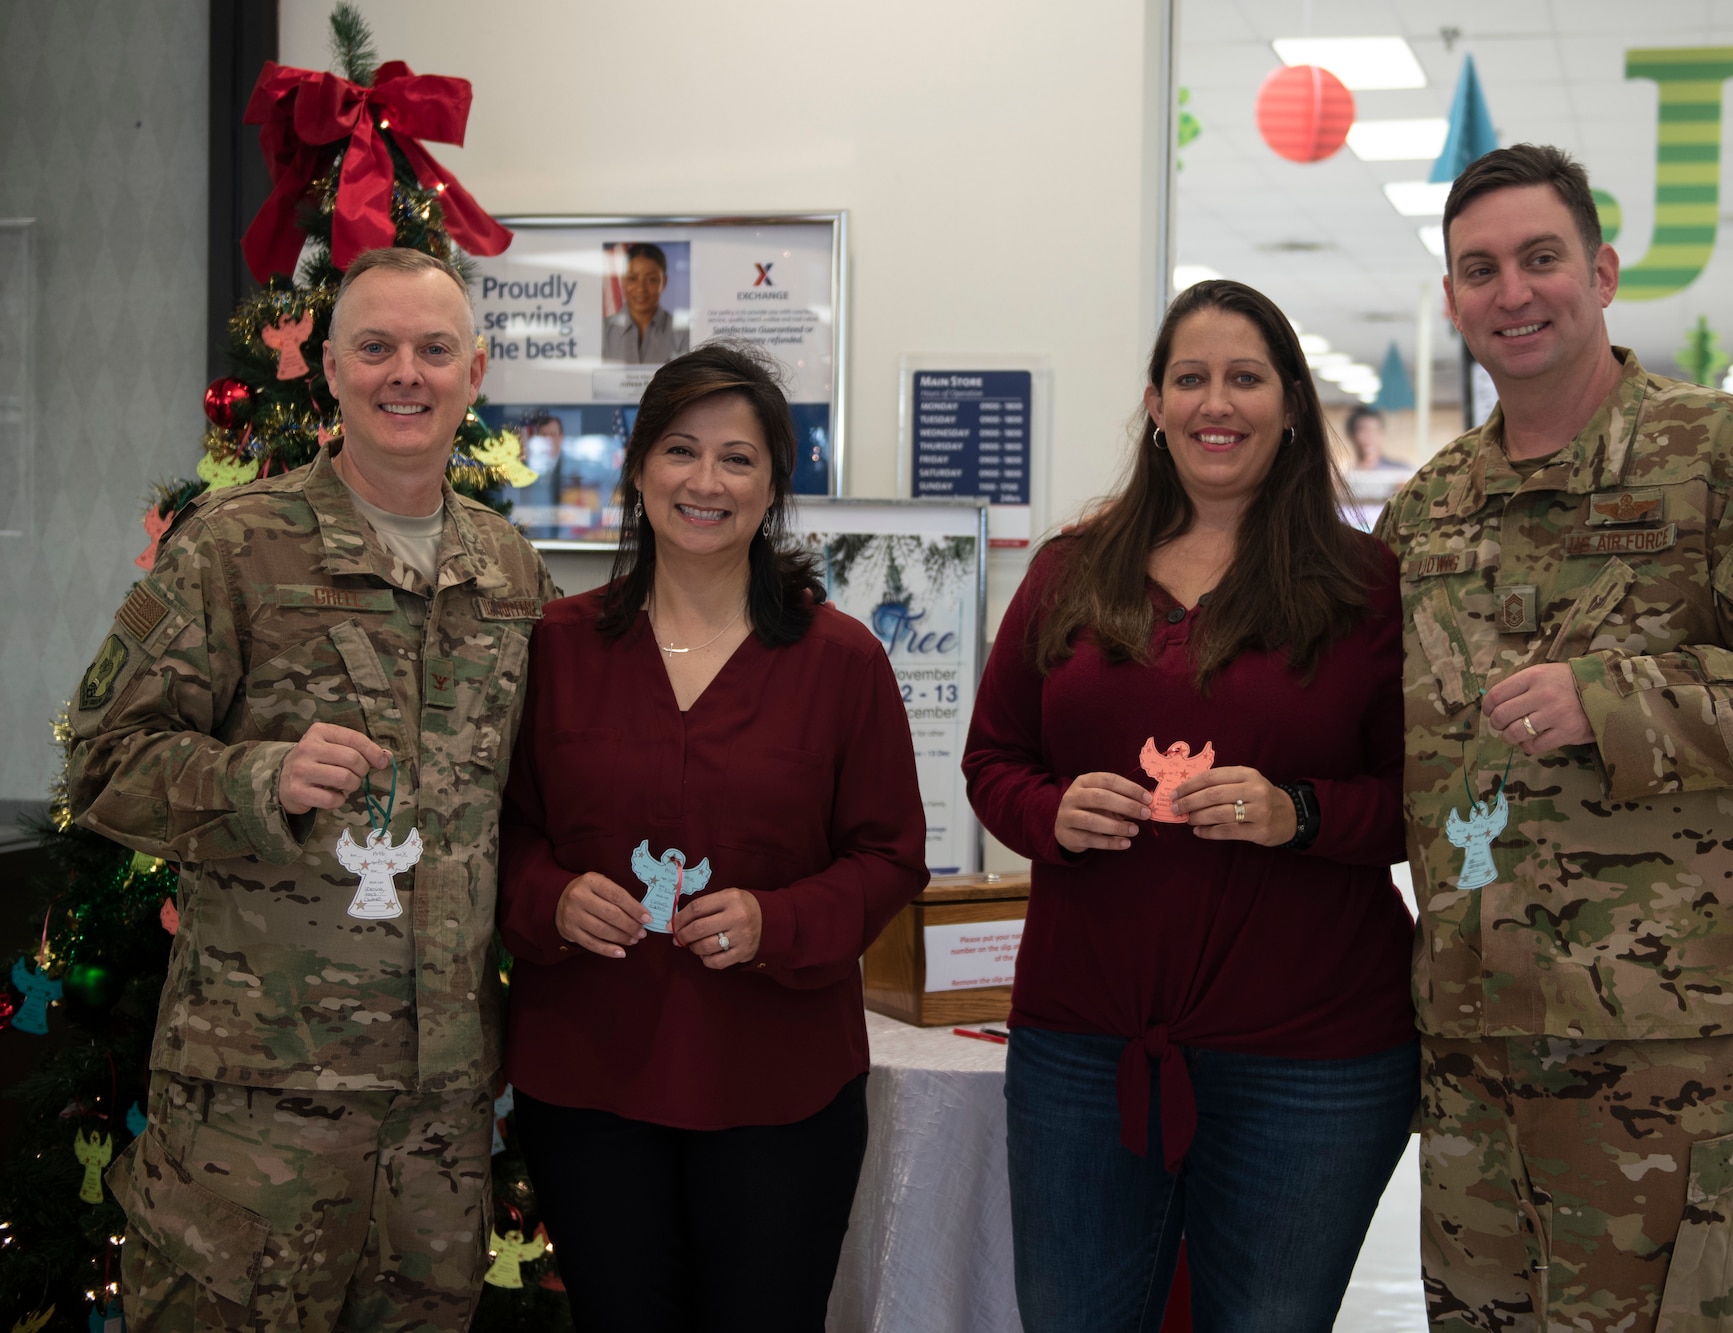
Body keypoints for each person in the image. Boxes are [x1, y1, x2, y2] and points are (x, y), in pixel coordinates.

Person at [1375, 144, 1733, 1332]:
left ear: (1602, 272)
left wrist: (1619, 702)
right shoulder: (1427, 507)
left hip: (1664, 1040)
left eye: (1539, 258)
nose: (1510, 291)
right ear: (1454, 299)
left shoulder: (1722, 457)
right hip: (1473, 1037)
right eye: (1478, 270)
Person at [67, 246, 555, 1331]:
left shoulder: (510, 574)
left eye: (434, 351)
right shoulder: (236, 549)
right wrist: (256, 778)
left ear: (473, 372)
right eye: (374, 347)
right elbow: (100, 760)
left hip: (438, 1121)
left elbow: (536, 802)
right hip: (258, 1108)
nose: (405, 374)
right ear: (327, 369)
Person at [963, 279, 1417, 1331]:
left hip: (1314, 1062)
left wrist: (1296, 813)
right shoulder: (1069, 572)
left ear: (1292, 404)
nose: (1217, 402)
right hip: (1081, 1048)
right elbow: (993, 757)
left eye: (1245, 378)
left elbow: (1420, 801)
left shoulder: (1363, 587)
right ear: (1155, 405)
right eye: (1191, 378)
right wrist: (1050, 811)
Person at [498, 342, 929, 1331]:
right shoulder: (555, 645)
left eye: (737, 458)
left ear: (775, 482)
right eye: (681, 450)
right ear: (638, 467)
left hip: (778, 1084)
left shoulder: (841, 661)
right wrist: (552, 896)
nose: (705, 481)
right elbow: (504, 831)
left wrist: (779, 920)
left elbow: (888, 852)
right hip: (589, 1080)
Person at [602, 242, 688, 364]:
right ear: (623, 281)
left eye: (651, 279)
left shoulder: (682, 333)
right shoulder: (603, 331)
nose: (641, 288)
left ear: (664, 282)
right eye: (632, 278)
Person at [1345, 404, 1410, 475]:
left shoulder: (1401, 471)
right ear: (1351, 435)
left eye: (1375, 430)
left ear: (1382, 434)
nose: (1370, 437)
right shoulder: (1346, 474)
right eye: (1363, 430)